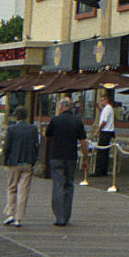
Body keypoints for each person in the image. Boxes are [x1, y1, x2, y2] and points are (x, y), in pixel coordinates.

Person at [46, 96, 87, 226]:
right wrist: (85, 158)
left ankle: (59, 217)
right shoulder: (77, 121)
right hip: (71, 157)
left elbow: (48, 135)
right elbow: (83, 141)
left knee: (58, 186)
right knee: (69, 185)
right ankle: (66, 215)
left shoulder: (55, 120)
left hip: (56, 156)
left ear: (61, 107)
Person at [2, 106, 38, 228]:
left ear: (16, 116)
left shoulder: (11, 129)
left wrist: (5, 160)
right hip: (27, 162)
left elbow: (7, 146)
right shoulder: (33, 129)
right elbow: (35, 145)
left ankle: (10, 213)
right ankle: (19, 218)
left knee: (11, 188)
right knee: (23, 191)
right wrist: (34, 159)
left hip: (13, 162)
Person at [92, 93, 115, 176]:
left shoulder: (107, 109)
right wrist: (98, 108)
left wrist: (97, 130)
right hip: (108, 132)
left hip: (106, 131)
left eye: (101, 100)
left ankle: (99, 171)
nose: (101, 102)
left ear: (106, 100)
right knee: (104, 152)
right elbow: (104, 116)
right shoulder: (108, 109)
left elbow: (104, 121)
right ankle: (103, 170)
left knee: (101, 152)